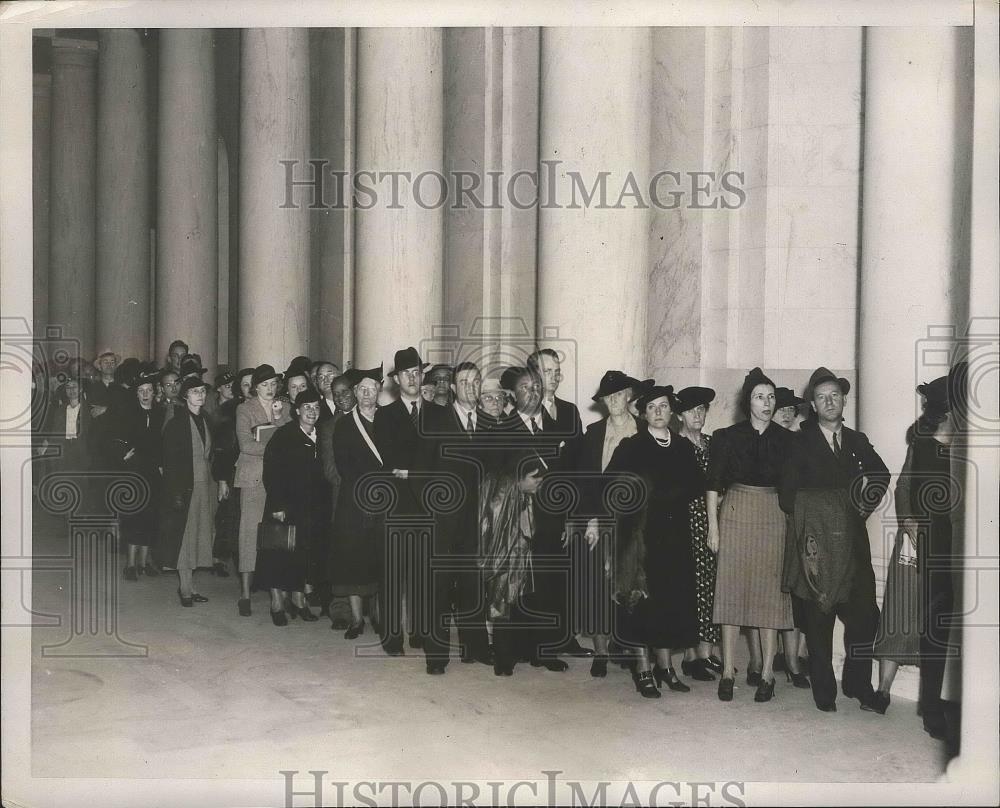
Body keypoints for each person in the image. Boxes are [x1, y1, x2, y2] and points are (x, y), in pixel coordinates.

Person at [779, 366, 890, 713]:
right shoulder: (799, 442)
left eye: (835, 396)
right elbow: (787, 495)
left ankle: (859, 685)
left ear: (843, 400)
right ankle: (823, 689)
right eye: (822, 397)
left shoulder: (857, 440)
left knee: (864, 617)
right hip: (817, 547)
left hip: (854, 545)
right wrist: (823, 511)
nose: (829, 402)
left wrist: (857, 508)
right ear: (812, 404)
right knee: (818, 618)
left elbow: (881, 475)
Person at [874, 371, 962, 739]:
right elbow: (905, 483)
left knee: (940, 625)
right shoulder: (923, 442)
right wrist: (908, 518)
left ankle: (934, 703)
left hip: (956, 543)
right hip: (922, 539)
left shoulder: (970, 444)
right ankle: (928, 707)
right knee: (920, 617)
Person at [603, 384, 705, 698]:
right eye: (652, 407)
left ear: (672, 412)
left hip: (674, 536)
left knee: (670, 600)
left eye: (663, 406)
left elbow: (696, 485)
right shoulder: (631, 447)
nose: (659, 412)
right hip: (640, 534)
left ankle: (666, 667)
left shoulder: (684, 448)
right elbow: (611, 487)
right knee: (642, 601)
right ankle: (643, 669)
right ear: (644, 413)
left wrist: (669, 495)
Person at [708, 367, 797, 704]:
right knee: (731, 595)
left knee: (768, 597)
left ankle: (767, 674)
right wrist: (713, 528)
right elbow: (713, 485)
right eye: (760, 397)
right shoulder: (726, 437)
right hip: (736, 512)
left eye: (771, 397)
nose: (767, 402)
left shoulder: (788, 440)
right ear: (748, 402)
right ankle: (728, 670)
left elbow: (793, 488)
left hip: (773, 517)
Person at [573, 370, 648, 678]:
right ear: (602, 401)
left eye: (620, 394)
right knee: (596, 584)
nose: (615, 401)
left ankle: (631, 645)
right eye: (609, 396)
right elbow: (584, 482)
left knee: (634, 581)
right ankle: (601, 650)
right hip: (598, 518)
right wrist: (590, 520)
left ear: (629, 396)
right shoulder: (592, 433)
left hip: (636, 520)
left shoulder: (644, 431)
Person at [419, 361, 492, 674]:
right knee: (439, 585)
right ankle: (437, 655)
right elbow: (421, 471)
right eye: (464, 382)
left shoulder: (489, 422)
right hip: (444, 520)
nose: (471, 388)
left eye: (476, 383)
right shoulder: (434, 419)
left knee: (473, 583)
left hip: (477, 519)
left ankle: (474, 646)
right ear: (452, 387)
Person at [374, 347, 435, 653]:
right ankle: (392, 636)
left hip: (429, 506)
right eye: (406, 373)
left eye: (417, 372)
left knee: (423, 571)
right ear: (396, 379)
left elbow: (443, 460)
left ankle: (421, 632)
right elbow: (387, 464)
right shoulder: (385, 416)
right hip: (397, 506)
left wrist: (412, 472)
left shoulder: (438, 413)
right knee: (394, 573)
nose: (413, 378)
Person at [259, 389, 329, 626]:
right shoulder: (285, 435)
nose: (312, 411)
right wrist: (278, 505)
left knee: (303, 553)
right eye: (307, 407)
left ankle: (299, 600)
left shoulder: (320, 435)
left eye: (316, 407)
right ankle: (277, 601)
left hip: (311, 506)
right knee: (280, 553)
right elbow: (271, 472)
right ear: (297, 410)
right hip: (285, 504)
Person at [329, 366, 385, 640]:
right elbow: (343, 466)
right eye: (361, 389)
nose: (366, 394)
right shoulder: (344, 426)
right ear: (355, 393)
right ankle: (355, 619)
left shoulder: (389, 421)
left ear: (379, 392)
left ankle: (378, 616)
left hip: (386, 499)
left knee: (380, 558)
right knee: (353, 559)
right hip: (354, 500)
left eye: (371, 389)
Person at [233, 364, 291, 616]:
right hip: (253, 478)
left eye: (273, 384)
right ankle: (245, 594)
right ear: (255, 387)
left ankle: (278, 591)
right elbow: (245, 444)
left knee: (277, 536)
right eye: (264, 384)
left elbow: (292, 436)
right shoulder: (244, 409)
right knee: (249, 534)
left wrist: (277, 418)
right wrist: (275, 448)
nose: (270, 389)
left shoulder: (285, 407)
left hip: (279, 480)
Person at [673, 386, 722, 681]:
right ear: (680, 415)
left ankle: (706, 651)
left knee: (711, 585)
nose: (698, 415)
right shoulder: (676, 444)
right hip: (684, 521)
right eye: (692, 410)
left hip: (712, 521)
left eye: (702, 409)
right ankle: (691, 656)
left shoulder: (711, 443)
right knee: (689, 587)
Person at [159, 376, 217, 607]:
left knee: (200, 535)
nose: (200, 395)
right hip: (185, 487)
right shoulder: (176, 423)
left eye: (202, 391)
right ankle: (185, 587)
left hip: (205, 485)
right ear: (185, 396)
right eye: (194, 392)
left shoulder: (206, 419)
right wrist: (176, 494)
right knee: (185, 537)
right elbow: (170, 461)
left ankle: (192, 585)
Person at [111, 364, 165, 580]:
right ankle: (131, 564)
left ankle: (144, 562)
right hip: (133, 470)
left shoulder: (160, 414)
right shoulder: (128, 413)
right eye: (141, 391)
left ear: (154, 392)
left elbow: (162, 443)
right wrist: (123, 453)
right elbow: (115, 437)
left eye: (148, 390)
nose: (145, 394)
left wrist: (161, 464)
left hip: (153, 470)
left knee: (151, 515)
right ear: (136, 393)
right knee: (134, 515)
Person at [210, 369, 249, 579]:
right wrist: (222, 479)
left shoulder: (271, 408)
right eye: (245, 385)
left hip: (260, 472)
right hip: (235, 472)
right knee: (230, 516)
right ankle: (224, 559)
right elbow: (222, 449)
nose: (250, 388)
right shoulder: (229, 411)